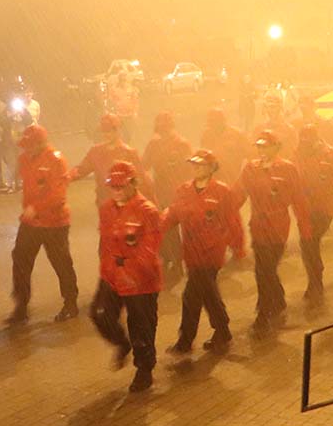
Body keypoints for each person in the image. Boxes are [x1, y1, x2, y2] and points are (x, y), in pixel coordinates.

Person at [161, 149, 245, 354]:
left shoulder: (222, 192)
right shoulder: (183, 190)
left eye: (200, 165)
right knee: (208, 293)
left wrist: (238, 247)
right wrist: (156, 228)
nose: (196, 168)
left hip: (210, 253)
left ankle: (187, 340)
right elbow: (172, 213)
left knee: (192, 295)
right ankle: (222, 330)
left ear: (211, 168)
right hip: (191, 252)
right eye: (194, 165)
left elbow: (233, 220)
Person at [90, 161, 162, 393]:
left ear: (133, 183)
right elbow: (106, 244)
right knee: (100, 313)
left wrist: (129, 270)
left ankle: (144, 369)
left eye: (121, 185)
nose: (117, 190)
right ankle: (121, 344)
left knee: (142, 327)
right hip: (113, 275)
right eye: (113, 186)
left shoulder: (147, 211)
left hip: (142, 281)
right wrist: (110, 271)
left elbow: (149, 250)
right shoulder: (106, 209)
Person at [233, 130, 312, 336]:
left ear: (276, 148)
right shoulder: (250, 168)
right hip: (258, 226)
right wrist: (224, 213)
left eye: (265, 146)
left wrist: (305, 228)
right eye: (259, 146)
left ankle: (269, 307)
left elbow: (298, 199)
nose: (261, 150)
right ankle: (272, 305)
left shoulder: (287, 169)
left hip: (278, 227)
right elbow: (239, 194)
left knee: (265, 268)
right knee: (264, 269)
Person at [5, 125, 79, 325]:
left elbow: (58, 194)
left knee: (61, 262)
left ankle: (70, 303)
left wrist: (35, 208)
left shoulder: (56, 160)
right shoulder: (24, 159)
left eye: (30, 146)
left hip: (55, 222)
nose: (26, 150)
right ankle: (21, 306)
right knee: (20, 259)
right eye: (25, 146)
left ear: (41, 143)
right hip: (32, 222)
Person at [293, 124, 333, 306]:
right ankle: (314, 280)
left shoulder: (332, 155)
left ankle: (316, 282)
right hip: (304, 208)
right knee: (307, 245)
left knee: (310, 241)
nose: (305, 143)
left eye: (308, 140)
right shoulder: (297, 155)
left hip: (323, 208)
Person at [142, 111, 193, 284]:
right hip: (160, 194)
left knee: (182, 230)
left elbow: (191, 169)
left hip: (179, 194)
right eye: (160, 129)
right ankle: (172, 261)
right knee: (165, 230)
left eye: (165, 129)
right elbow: (144, 166)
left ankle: (182, 262)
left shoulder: (182, 144)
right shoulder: (153, 145)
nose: (163, 132)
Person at [70, 114, 152, 207]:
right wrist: (64, 177)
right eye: (104, 130)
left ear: (118, 130)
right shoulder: (95, 152)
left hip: (125, 206)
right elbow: (80, 170)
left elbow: (141, 180)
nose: (106, 134)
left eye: (109, 130)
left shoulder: (129, 153)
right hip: (104, 204)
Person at [200, 107, 248, 186]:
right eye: (210, 122)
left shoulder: (237, 135)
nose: (212, 125)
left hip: (232, 182)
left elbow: (250, 156)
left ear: (223, 121)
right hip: (212, 182)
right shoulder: (206, 135)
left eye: (215, 121)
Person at [252, 93, 296, 159]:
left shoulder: (289, 130)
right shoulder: (259, 129)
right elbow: (253, 152)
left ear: (280, 108)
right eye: (268, 107)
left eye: (273, 107)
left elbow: (292, 153)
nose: (270, 110)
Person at [108, 72, 139, 144]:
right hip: (119, 115)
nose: (123, 81)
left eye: (124, 79)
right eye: (121, 80)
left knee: (129, 134)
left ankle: (126, 145)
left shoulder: (130, 88)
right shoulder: (114, 89)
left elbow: (135, 100)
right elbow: (110, 101)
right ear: (119, 80)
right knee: (120, 134)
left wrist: (135, 112)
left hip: (129, 115)